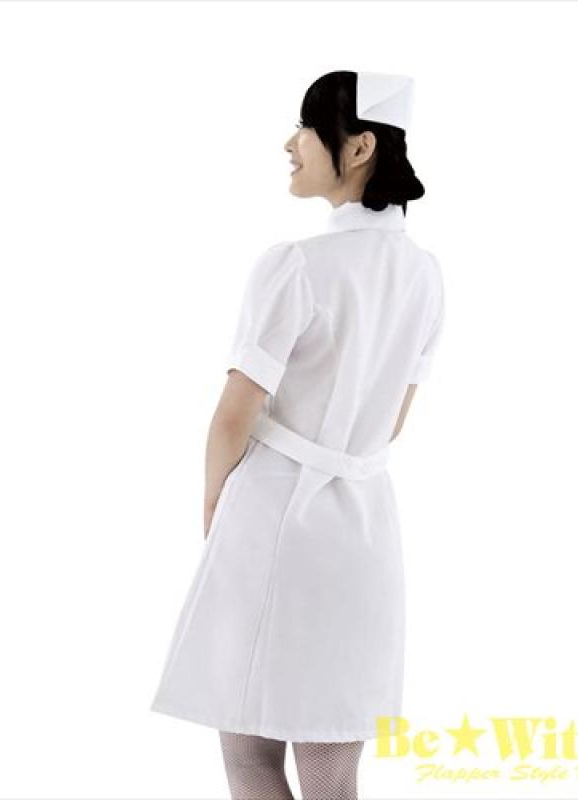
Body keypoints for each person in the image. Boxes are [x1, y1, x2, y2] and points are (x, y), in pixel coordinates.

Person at [150, 69, 446, 800]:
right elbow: (394, 418)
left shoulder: (297, 266)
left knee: (250, 756)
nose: (291, 143)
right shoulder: (425, 274)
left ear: (359, 148)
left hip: (274, 516)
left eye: (308, 127)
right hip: (365, 526)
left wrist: (216, 501)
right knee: (332, 769)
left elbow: (233, 413)